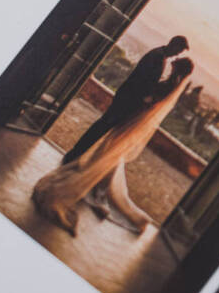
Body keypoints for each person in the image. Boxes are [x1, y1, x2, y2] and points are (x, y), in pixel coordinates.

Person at [33, 57, 194, 235]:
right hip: (134, 118)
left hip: (133, 118)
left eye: (176, 63)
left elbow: (150, 100)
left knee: (111, 149)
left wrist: (140, 99)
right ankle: (101, 181)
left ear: (179, 68)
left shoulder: (170, 83)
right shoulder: (172, 83)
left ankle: (98, 180)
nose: (173, 62)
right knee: (111, 150)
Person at [61, 34, 189, 164]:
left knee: (103, 126)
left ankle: (77, 154)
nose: (177, 54)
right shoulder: (157, 56)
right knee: (102, 126)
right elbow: (141, 81)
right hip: (127, 99)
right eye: (178, 50)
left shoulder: (160, 56)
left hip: (129, 99)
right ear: (173, 44)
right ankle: (75, 154)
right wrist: (146, 98)